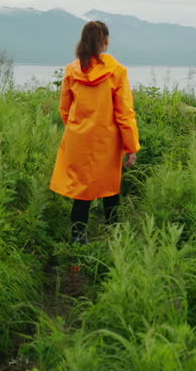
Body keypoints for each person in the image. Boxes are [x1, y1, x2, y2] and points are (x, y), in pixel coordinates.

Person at [49, 20, 140, 244]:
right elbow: (124, 113)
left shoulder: (72, 70)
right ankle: (114, 235)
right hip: (107, 140)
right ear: (106, 41)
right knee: (110, 187)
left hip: (78, 139)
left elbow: (64, 109)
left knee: (82, 189)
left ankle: (79, 237)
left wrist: (77, 128)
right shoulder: (117, 71)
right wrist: (131, 147)